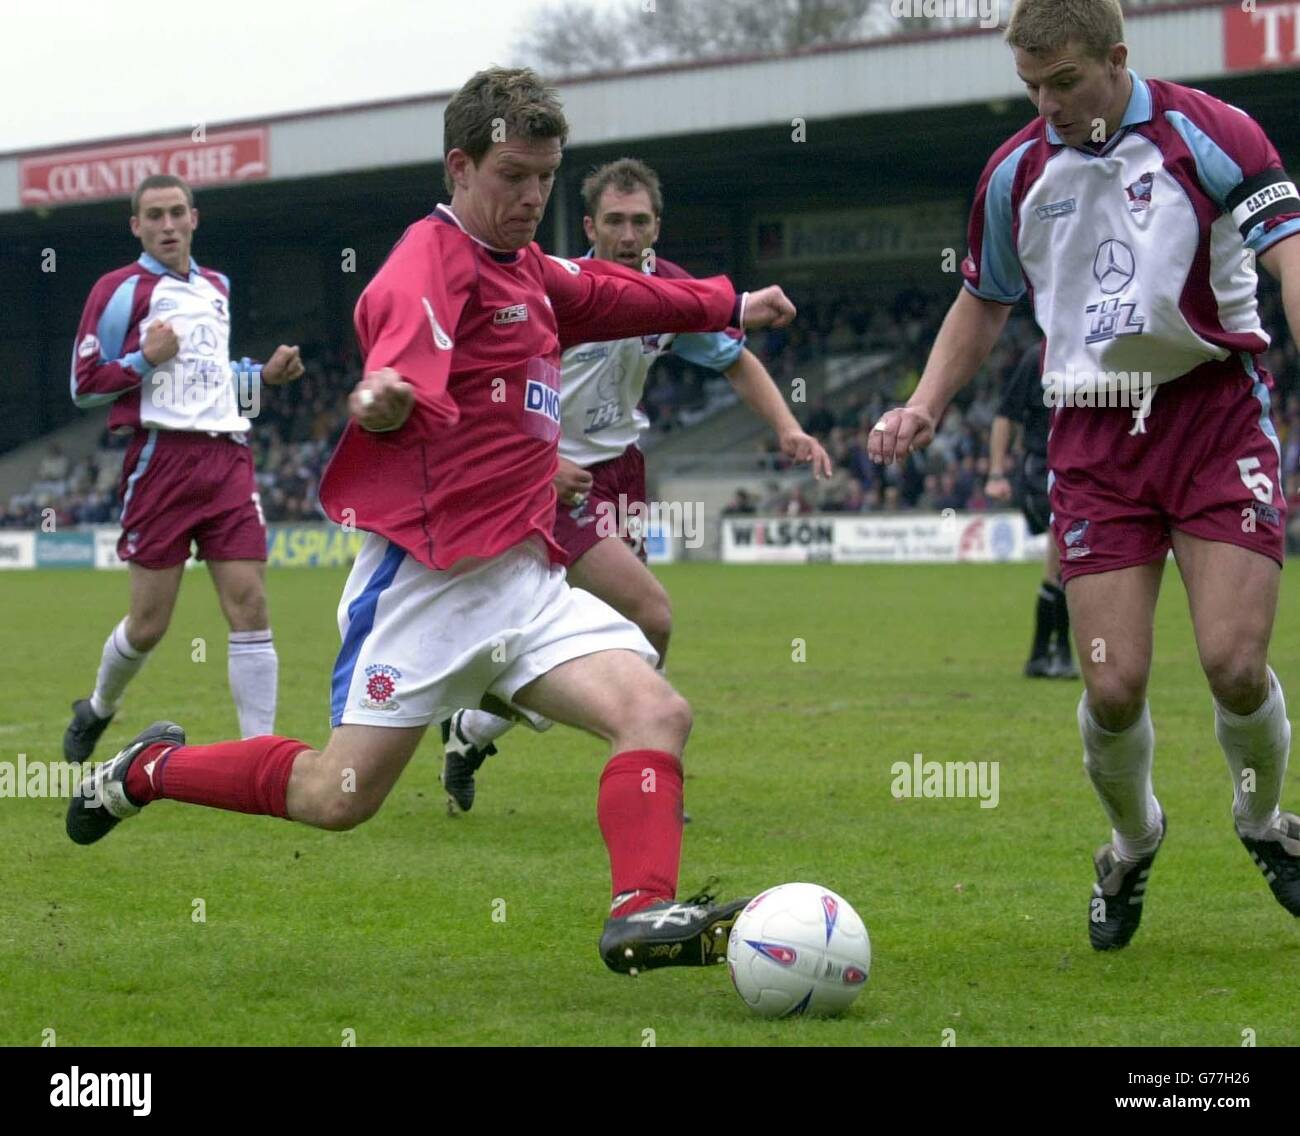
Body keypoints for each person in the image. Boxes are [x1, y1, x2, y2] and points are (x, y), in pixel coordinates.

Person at [66, 68, 796, 977]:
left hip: (524, 582)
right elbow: (404, 338)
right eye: (513, 176)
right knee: (336, 797)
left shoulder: (528, 267)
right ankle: (150, 769)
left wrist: (729, 303)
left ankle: (640, 913)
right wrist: (386, 392)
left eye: (545, 177)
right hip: (427, 584)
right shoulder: (431, 255)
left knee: (655, 710)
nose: (532, 197)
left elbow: (614, 294)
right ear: (461, 165)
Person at [869, 0, 1300, 950]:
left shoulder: (1209, 131)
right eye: (1031, 86)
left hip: (1212, 412)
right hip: (1094, 440)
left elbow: (1289, 254)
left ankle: (1266, 820)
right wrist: (926, 406)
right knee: (1113, 686)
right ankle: (1131, 841)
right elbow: (981, 303)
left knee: (1233, 665)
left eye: (1064, 82)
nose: (1047, 104)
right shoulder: (1015, 171)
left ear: (1117, 58)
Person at [438, 157, 831, 815]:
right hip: (549, 477)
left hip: (620, 473)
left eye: (640, 220)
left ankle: (474, 729)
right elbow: (488, 384)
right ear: (589, 224)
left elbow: (734, 359)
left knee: (609, 629)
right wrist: (532, 461)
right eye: (614, 220)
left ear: (657, 225)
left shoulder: (667, 290)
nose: (628, 233)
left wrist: (788, 429)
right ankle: (650, 771)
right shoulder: (553, 288)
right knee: (650, 617)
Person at [64, 174, 305, 761]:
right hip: (160, 460)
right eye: (154, 216)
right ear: (137, 226)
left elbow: (212, 376)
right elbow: (83, 385)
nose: (167, 225)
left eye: (177, 213)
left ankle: (259, 757)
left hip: (227, 456)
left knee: (249, 603)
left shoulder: (217, 286)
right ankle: (97, 707)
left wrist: (263, 377)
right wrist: (144, 359)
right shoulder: (120, 290)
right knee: (148, 624)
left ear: (194, 218)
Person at [986, 340, 1078, 678]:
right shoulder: (1038, 356)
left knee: (1061, 563)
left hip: (1079, 473)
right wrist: (996, 472)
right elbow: (1004, 415)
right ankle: (1061, 652)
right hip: (1041, 473)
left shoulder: (1095, 351)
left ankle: (1041, 654)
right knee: (1067, 554)